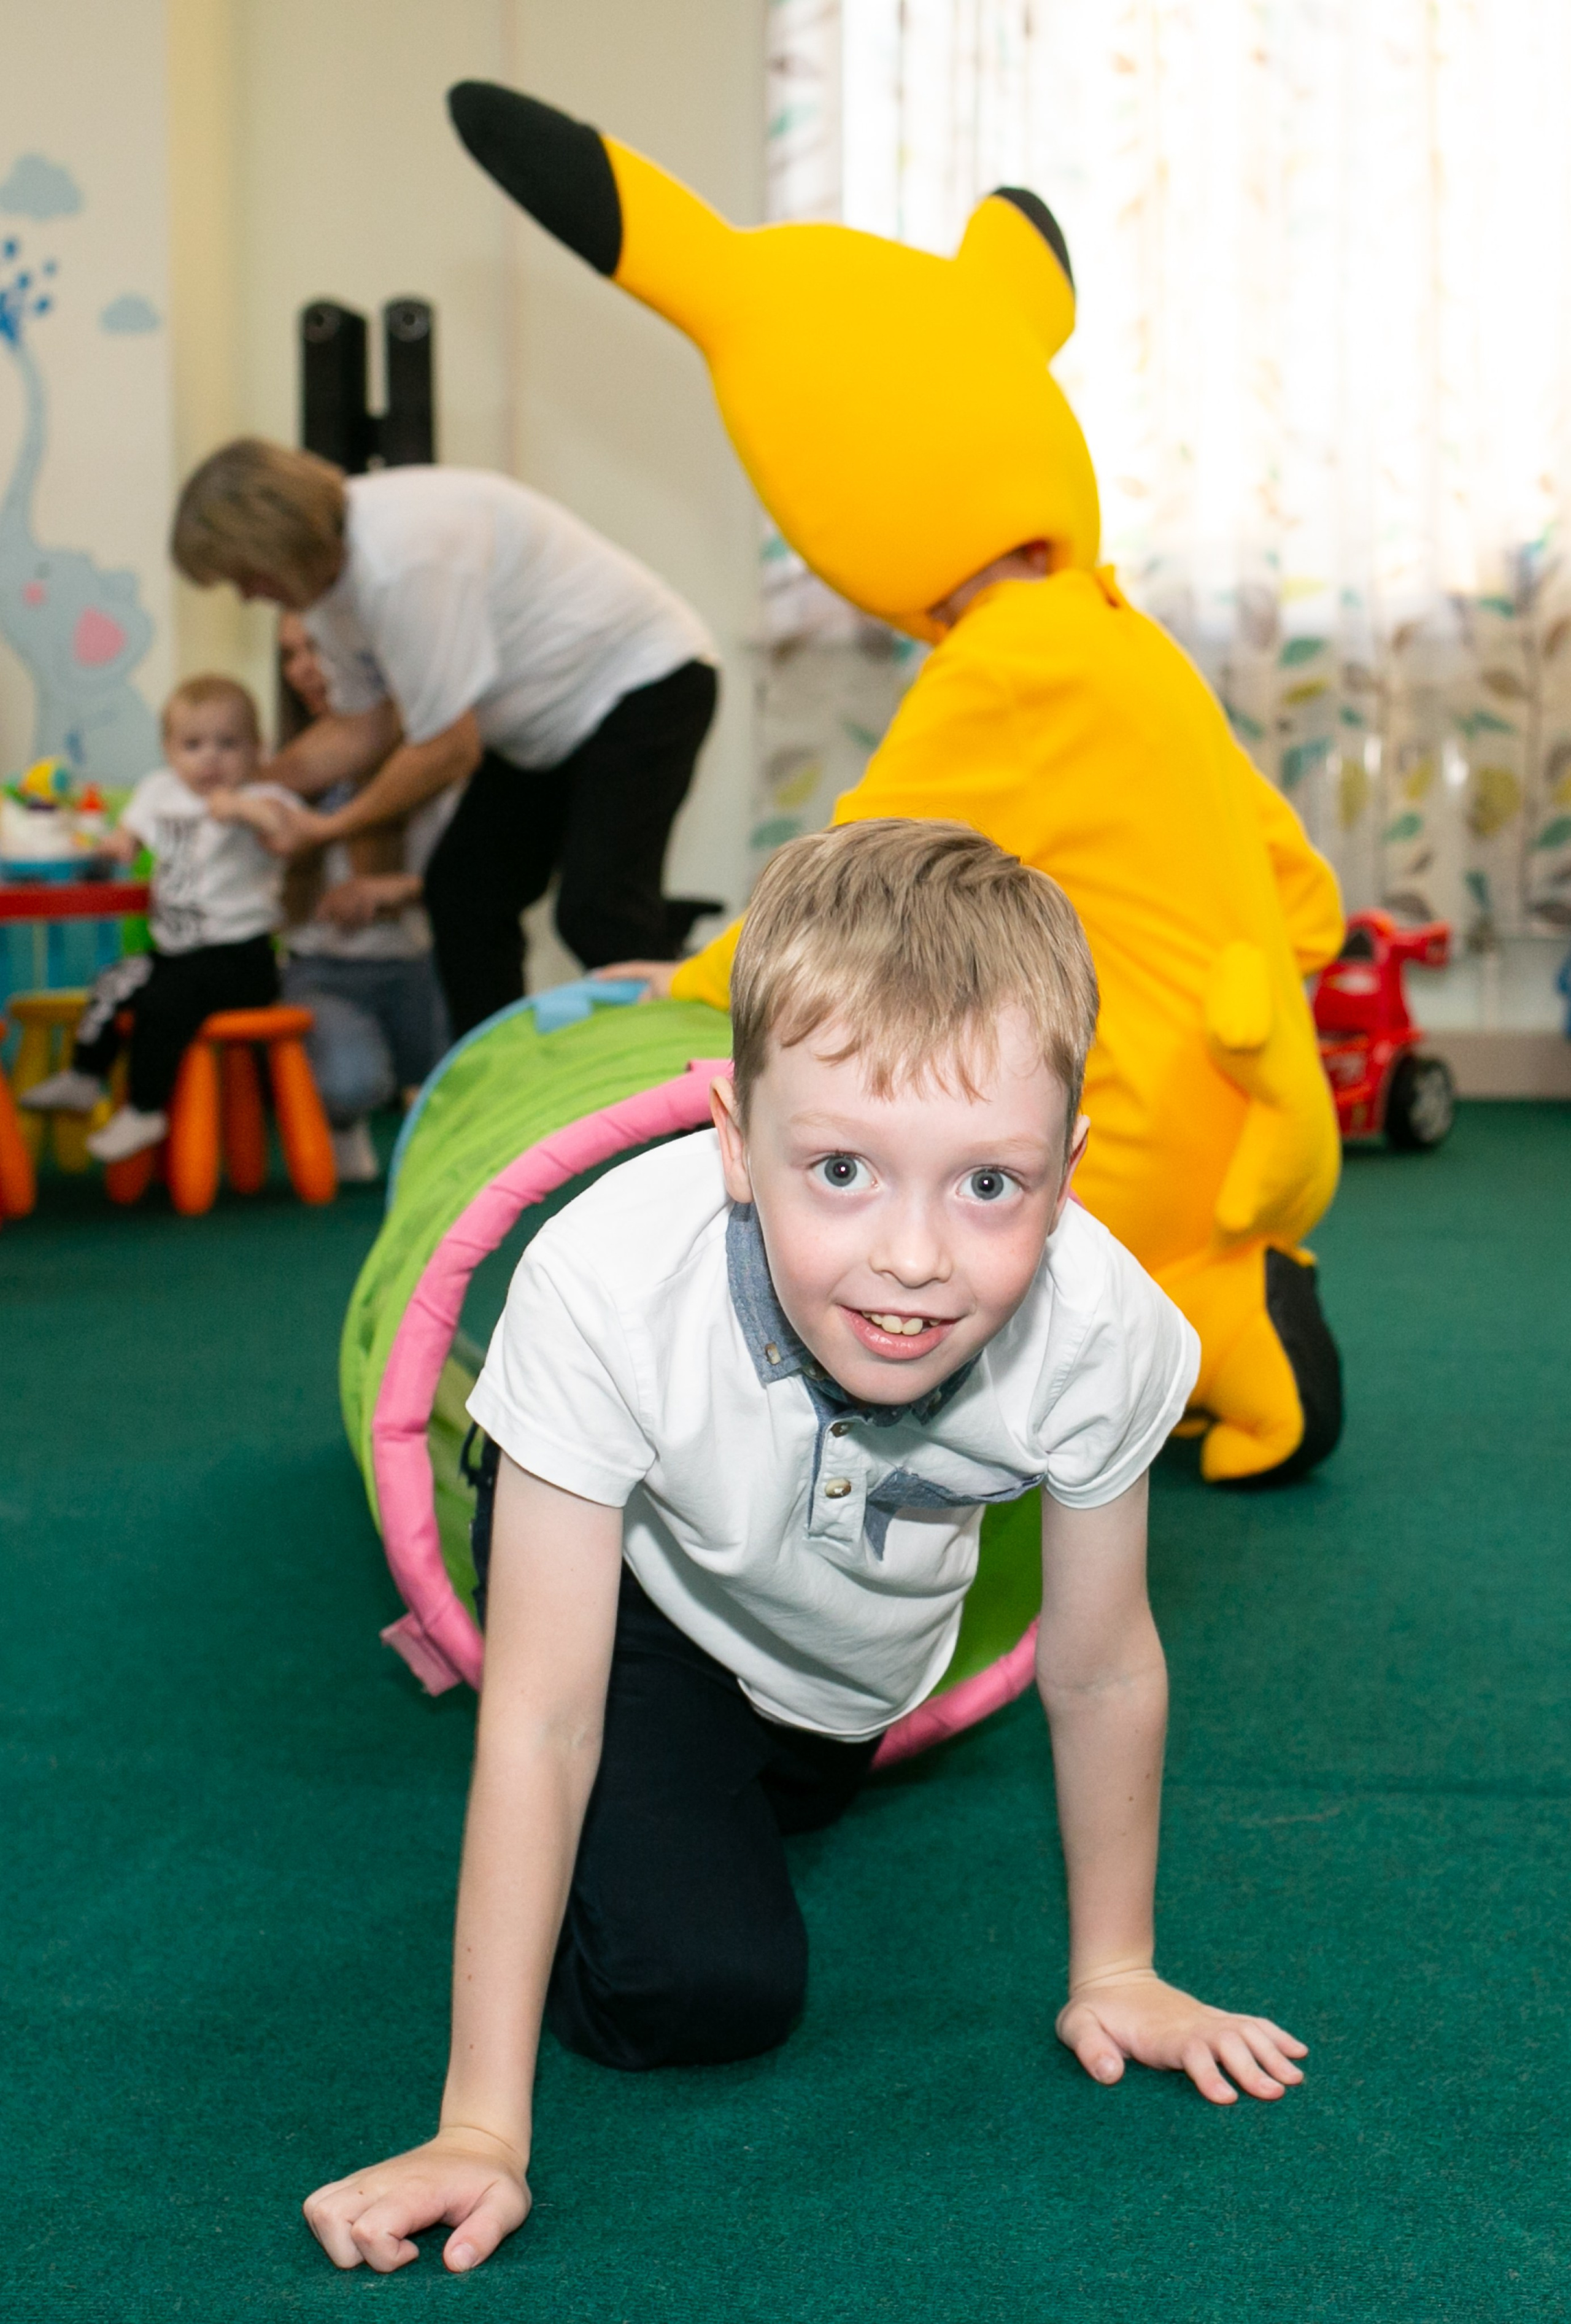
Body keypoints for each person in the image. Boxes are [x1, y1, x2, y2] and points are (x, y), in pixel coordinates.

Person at [303, 820, 1307, 2279]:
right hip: (656, 1612)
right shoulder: (606, 1282)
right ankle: (511, 1461)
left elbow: (1095, 1671)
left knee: (803, 1799)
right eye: (839, 1168)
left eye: (986, 1185)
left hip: (849, 1670)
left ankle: (736, 1787)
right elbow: (541, 1714)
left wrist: (1117, 1970)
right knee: (703, 1990)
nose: (912, 1256)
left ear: (1067, 1170)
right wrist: (480, 2130)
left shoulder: (1099, 1329)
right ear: (731, 1139)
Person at [169, 439, 720, 1038]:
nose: (248, 595)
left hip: (647, 681)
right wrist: (246, 783)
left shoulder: (403, 557)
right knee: (462, 892)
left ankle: (681, 1087)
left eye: (246, 576)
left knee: (597, 911)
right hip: (543, 723)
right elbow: (365, 727)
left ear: (276, 544)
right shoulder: (329, 592)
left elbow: (447, 748)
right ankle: (501, 1090)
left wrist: (330, 827)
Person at [21, 674, 293, 1164]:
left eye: (228, 744)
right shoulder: (158, 790)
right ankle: (85, 1075)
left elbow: (284, 835)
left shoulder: (266, 796)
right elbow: (127, 840)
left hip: (241, 958)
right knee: (113, 981)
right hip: (174, 952)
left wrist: (244, 810)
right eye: (193, 744)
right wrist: (108, 844)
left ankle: (146, 1109)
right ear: (169, 750)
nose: (210, 757)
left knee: (165, 1003)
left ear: (257, 749)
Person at [274, 613, 452, 1184]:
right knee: (352, 1079)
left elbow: (474, 875)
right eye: (290, 654)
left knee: (460, 1073)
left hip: (414, 964)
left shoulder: (423, 761)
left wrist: (399, 888)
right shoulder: (285, 769)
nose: (303, 667)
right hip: (322, 968)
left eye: (316, 648)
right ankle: (344, 1117)